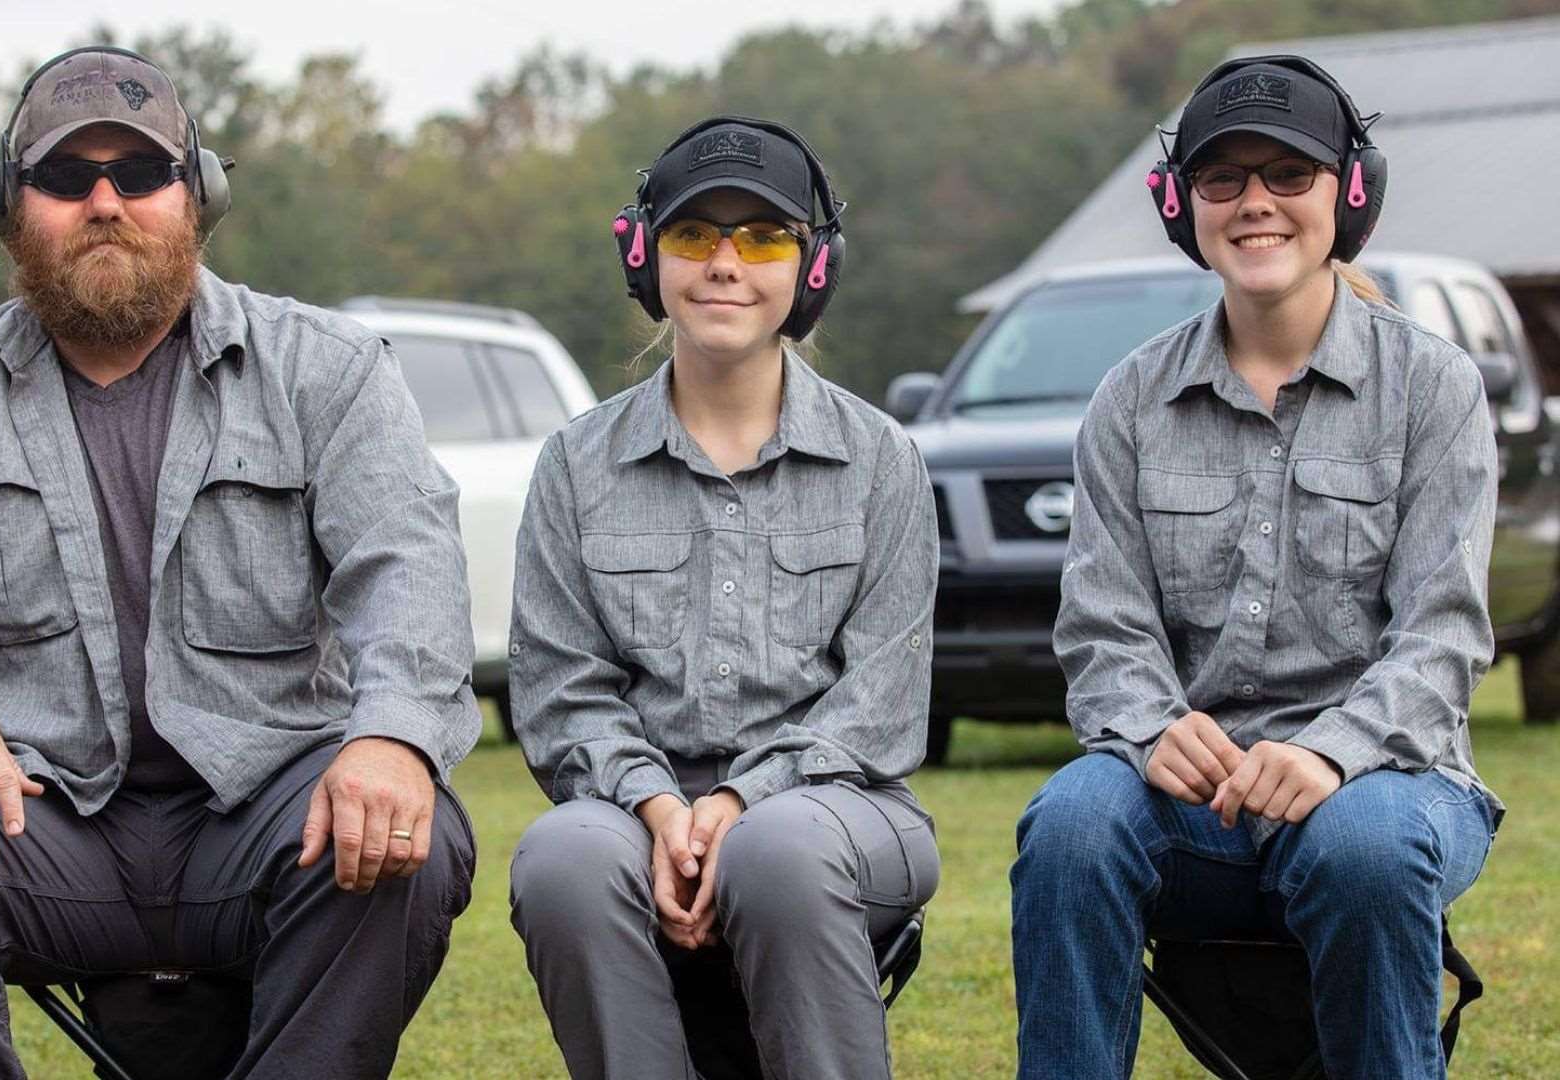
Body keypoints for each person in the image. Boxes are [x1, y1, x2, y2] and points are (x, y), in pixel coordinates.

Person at [0, 46, 476, 1080]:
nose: (104, 202)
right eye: (65, 178)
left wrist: (391, 740)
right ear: (12, 208)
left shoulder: (327, 371)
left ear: (198, 198)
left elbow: (409, 573)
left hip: (266, 821)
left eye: (140, 175)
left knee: (408, 828)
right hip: (34, 826)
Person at [1011, 55, 1502, 1079]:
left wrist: (1330, 752)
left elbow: (1442, 631)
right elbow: (1103, 624)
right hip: (1192, 801)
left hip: (1389, 782)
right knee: (1068, 828)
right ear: (1179, 205)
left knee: (1364, 848)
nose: (1255, 203)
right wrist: (1148, 726)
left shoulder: (1434, 388)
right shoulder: (1128, 400)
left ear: (1349, 193)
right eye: (1223, 179)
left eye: (1290, 174)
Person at [505, 116, 941, 1079]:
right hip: (631, 811)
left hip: (840, 810)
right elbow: (559, 693)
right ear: (645, 255)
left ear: (811, 266)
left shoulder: (882, 463)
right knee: (564, 859)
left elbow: (880, 704)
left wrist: (745, 798)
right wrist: (660, 808)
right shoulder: (575, 467)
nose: (726, 263)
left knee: (777, 849)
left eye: (765, 237)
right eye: (695, 235)